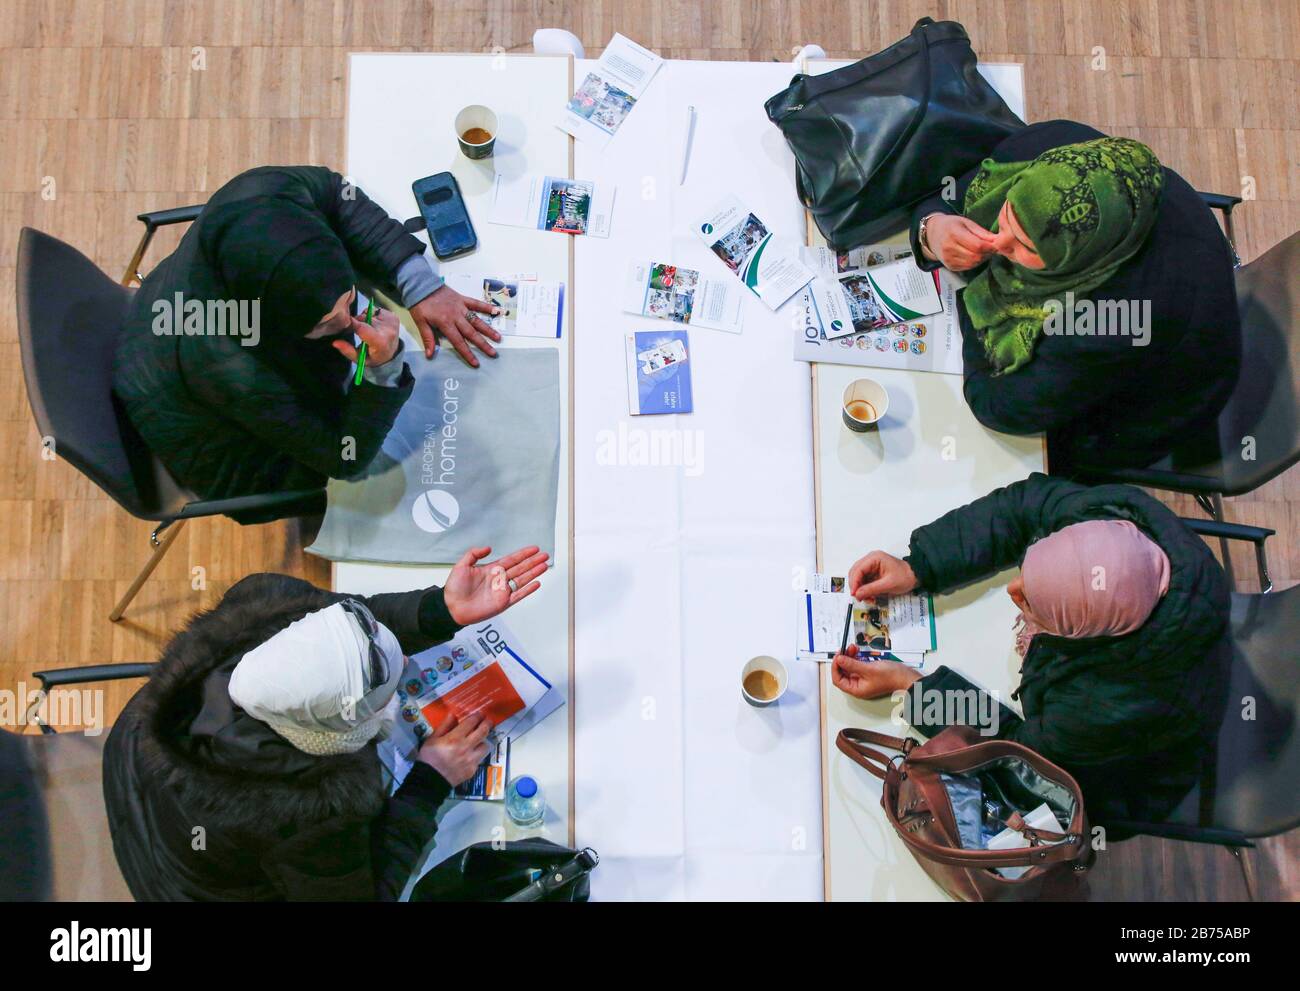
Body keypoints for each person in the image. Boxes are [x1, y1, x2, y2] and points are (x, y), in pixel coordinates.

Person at [102, 543, 549, 901]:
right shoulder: (302, 817)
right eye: (388, 691)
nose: (409, 658)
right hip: (184, 884)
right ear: (343, 731)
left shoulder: (261, 607)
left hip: (134, 758)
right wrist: (431, 778)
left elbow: (353, 619)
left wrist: (439, 609)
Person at [830, 473, 1230, 831]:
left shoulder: (1109, 702)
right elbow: (1021, 508)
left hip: (1113, 784)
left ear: (1084, 635)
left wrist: (912, 687)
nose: (1012, 591)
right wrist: (921, 565)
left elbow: (1019, 759)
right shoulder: (1108, 520)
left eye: (1035, 605)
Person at [113, 165, 503, 518]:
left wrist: (419, 286)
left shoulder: (259, 192)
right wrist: (382, 370)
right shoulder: (233, 368)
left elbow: (336, 195)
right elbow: (343, 455)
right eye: (323, 322)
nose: (348, 322)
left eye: (348, 300)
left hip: (170, 322)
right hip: (240, 456)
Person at [910, 121, 1240, 473]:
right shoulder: (1050, 147)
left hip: (1142, 409)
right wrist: (933, 230)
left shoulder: (1114, 321)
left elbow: (999, 406)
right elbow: (945, 197)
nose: (997, 244)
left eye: (1024, 245)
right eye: (1006, 218)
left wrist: (974, 301)